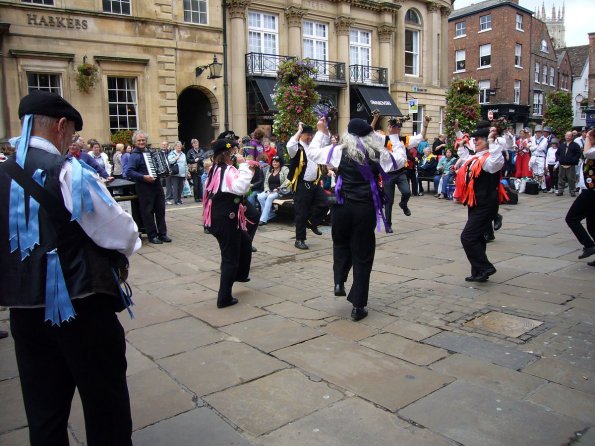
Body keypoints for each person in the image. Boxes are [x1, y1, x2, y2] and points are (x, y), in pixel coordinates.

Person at [0, 90, 140, 445]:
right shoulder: (69, 174)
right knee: (104, 403)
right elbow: (121, 234)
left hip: (24, 312)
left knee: (44, 410)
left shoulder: (2, 174)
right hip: (81, 306)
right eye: (73, 134)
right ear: (60, 126)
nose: (72, 142)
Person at [306, 117, 403, 321]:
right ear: (370, 136)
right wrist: (394, 136)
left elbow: (313, 154)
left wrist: (321, 132)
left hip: (341, 207)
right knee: (362, 255)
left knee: (340, 244)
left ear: (348, 134)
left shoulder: (339, 151)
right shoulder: (376, 153)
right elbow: (399, 161)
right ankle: (358, 306)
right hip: (364, 209)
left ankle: (339, 281)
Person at [202, 139, 255, 308]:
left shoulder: (215, 170)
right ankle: (224, 298)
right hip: (225, 220)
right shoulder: (227, 171)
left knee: (245, 241)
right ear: (226, 154)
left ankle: (240, 274)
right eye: (232, 152)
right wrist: (245, 166)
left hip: (219, 218)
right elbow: (240, 188)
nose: (235, 154)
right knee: (229, 259)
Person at [459, 121, 505, 282]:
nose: (475, 141)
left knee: (467, 237)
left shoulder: (489, 159)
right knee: (477, 237)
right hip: (476, 203)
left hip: (486, 204)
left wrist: (492, 142)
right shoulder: (477, 157)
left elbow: (496, 164)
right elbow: (464, 160)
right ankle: (479, 272)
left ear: (487, 141)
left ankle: (485, 267)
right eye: (475, 139)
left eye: (478, 139)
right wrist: (462, 144)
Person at [286, 123, 328, 250]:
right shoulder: (296, 148)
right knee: (301, 212)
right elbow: (289, 144)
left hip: (314, 183)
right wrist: (299, 130)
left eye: (311, 135)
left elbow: (325, 139)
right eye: (307, 135)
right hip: (301, 184)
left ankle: (312, 223)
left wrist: (323, 128)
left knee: (325, 203)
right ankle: (299, 240)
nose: (310, 137)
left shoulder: (313, 147)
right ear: (301, 135)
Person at [126, 131, 171, 244]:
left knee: (160, 210)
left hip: (156, 185)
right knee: (148, 212)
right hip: (144, 187)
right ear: (135, 142)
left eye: (143, 140)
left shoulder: (151, 152)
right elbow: (129, 172)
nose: (141, 142)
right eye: (139, 140)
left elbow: (159, 167)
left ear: (146, 141)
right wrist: (143, 177)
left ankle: (163, 234)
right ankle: (152, 235)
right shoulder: (134, 155)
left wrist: (164, 171)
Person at [565, 128, 595, 263]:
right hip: (588, 189)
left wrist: (588, 137)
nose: (587, 139)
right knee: (592, 225)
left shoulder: (592, 151)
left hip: (592, 192)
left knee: (571, 218)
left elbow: (588, 153)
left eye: (589, 137)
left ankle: (589, 245)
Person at [383, 117, 414, 230]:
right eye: (394, 127)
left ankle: (403, 204)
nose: (397, 129)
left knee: (407, 192)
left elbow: (420, 137)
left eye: (398, 127)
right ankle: (388, 224)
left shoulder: (403, 140)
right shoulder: (384, 139)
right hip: (388, 174)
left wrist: (425, 125)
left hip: (401, 172)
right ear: (389, 128)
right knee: (389, 201)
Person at [257, 155, 290, 225]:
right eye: (273, 162)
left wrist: (279, 188)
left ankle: (263, 219)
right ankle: (271, 214)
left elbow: (288, 180)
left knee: (270, 197)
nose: (274, 163)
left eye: (276, 162)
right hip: (270, 190)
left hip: (281, 191)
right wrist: (267, 190)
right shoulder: (270, 170)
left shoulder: (284, 169)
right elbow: (266, 182)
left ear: (280, 163)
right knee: (260, 197)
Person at [556, 131, 582, 197]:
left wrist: (573, 160)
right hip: (562, 164)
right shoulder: (562, 144)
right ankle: (560, 190)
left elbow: (578, 154)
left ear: (572, 137)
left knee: (571, 179)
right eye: (566, 135)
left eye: (569, 136)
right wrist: (559, 159)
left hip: (571, 165)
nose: (567, 137)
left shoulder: (575, 145)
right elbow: (557, 153)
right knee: (561, 178)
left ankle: (572, 191)